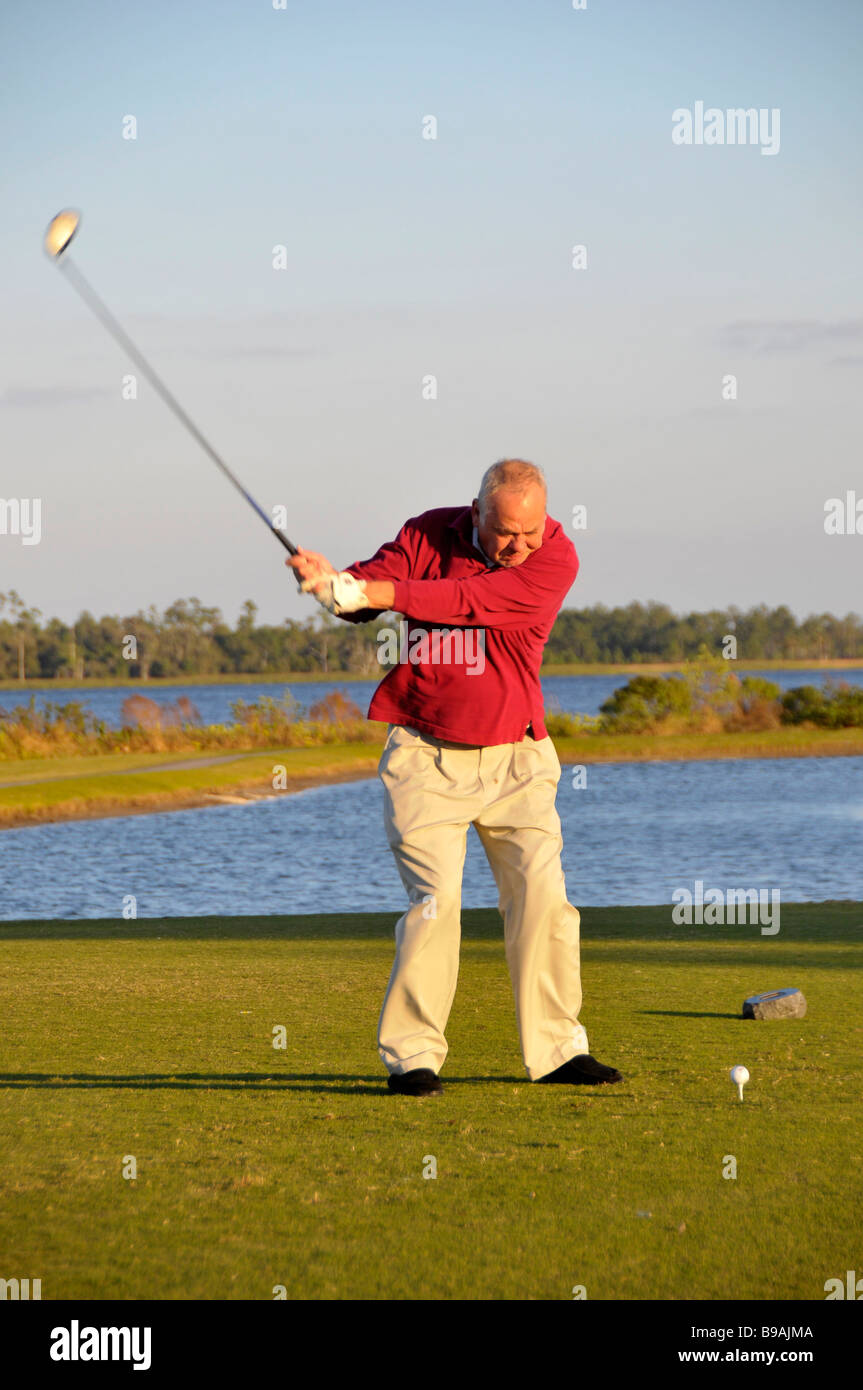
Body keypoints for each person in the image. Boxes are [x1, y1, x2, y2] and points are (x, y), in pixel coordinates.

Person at [288, 458, 623, 1096]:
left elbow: (470, 602)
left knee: (545, 901)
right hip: (424, 756)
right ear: (475, 513)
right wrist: (333, 584)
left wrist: (372, 594)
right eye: (505, 533)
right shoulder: (427, 533)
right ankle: (413, 1057)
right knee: (434, 906)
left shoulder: (555, 558)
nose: (519, 546)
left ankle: (556, 1051)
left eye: (530, 532)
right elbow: (366, 592)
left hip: (518, 760)